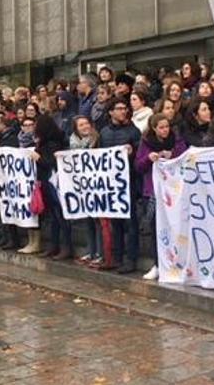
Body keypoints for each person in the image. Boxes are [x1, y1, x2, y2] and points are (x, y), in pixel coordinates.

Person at [135, 113, 187, 280]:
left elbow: (185, 156)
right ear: (154, 129)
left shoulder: (176, 139)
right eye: (161, 127)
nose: (165, 130)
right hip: (153, 191)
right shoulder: (146, 142)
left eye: (167, 126)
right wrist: (148, 158)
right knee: (155, 227)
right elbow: (138, 165)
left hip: (174, 191)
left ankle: (177, 263)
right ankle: (157, 264)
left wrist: (171, 154)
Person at [99, 97, 142, 273]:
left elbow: (141, 155)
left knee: (130, 222)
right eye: (119, 108)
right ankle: (117, 257)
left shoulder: (134, 132)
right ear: (111, 112)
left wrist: (133, 152)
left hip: (129, 181)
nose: (123, 111)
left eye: (125, 108)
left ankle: (131, 259)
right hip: (112, 183)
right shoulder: (104, 133)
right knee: (115, 222)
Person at [32, 115, 72, 259]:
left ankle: (66, 246)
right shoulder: (44, 142)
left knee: (60, 215)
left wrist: (38, 158)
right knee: (53, 217)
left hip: (54, 181)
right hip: (46, 181)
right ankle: (53, 245)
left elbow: (50, 163)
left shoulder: (53, 143)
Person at [69, 116, 103, 267]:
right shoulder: (73, 142)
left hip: (97, 184)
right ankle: (90, 250)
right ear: (76, 128)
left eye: (86, 123)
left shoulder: (97, 139)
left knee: (97, 220)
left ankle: (100, 253)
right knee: (87, 220)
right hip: (83, 186)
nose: (85, 127)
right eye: (81, 125)